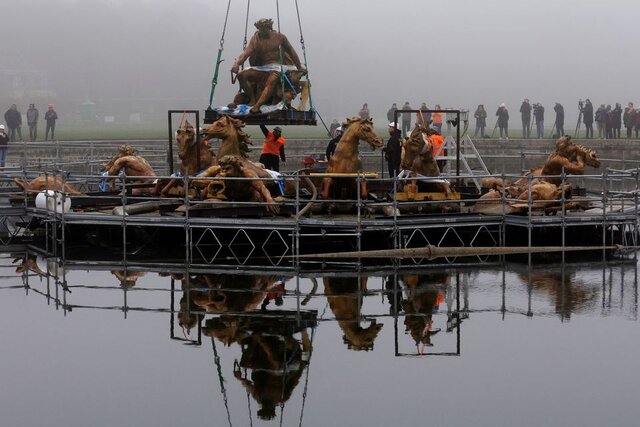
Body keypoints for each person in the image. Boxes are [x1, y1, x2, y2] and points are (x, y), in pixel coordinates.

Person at [231, 18, 305, 113]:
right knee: (242, 75)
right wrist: (236, 64)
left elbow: (291, 51)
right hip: (263, 68)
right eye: (260, 29)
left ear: (269, 27)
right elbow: (245, 54)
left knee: (271, 80)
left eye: (264, 29)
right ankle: (252, 99)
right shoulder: (256, 39)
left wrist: (299, 67)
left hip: (277, 67)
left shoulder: (280, 37)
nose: (262, 32)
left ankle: (258, 105)